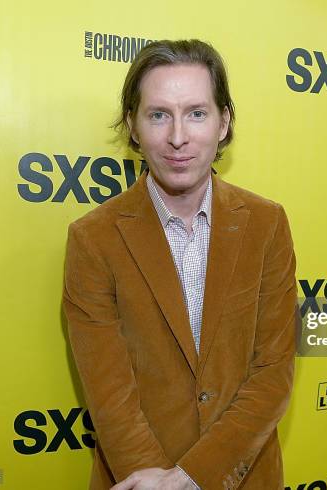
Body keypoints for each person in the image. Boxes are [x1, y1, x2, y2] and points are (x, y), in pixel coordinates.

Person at [62, 39, 297, 490]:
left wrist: (193, 477)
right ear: (132, 124)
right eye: (158, 115)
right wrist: (158, 482)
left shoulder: (267, 224)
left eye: (196, 112)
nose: (177, 137)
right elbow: (109, 392)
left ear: (223, 121)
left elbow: (273, 370)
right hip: (139, 479)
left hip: (245, 475)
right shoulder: (93, 239)